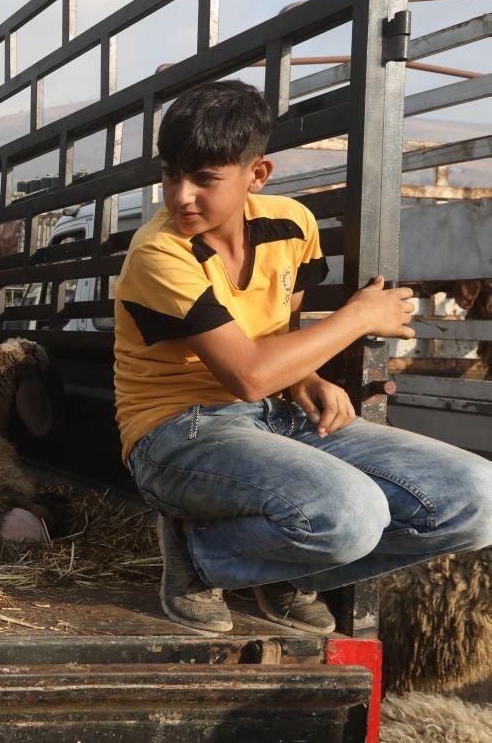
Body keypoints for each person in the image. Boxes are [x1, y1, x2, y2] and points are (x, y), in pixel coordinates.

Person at [114, 80, 492, 634]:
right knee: (350, 513)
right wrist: (359, 317)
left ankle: (282, 566)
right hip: (176, 432)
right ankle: (200, 559)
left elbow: (276, 335)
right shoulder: (158, 254)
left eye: (204, 179)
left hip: (273, 416)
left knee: (476, 500)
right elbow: (247, 374)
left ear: (257, 175)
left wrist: (306, 377)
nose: (180, 197)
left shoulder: (293, 225)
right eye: (171, 174)